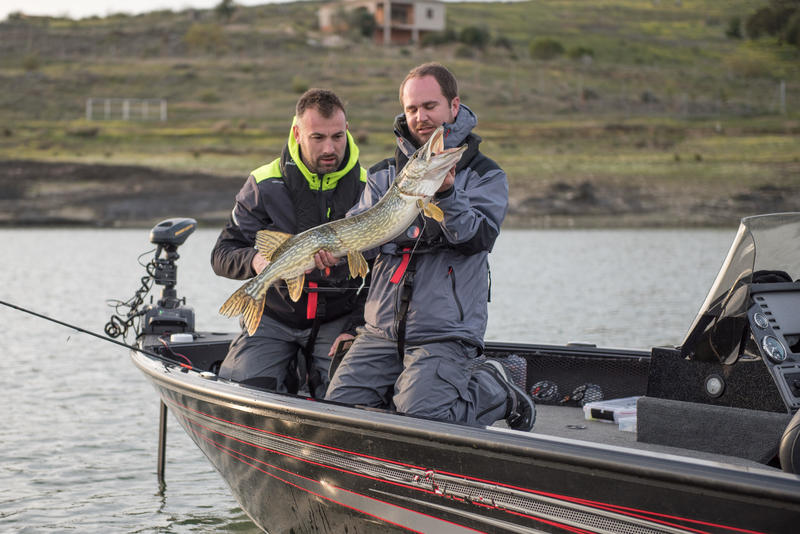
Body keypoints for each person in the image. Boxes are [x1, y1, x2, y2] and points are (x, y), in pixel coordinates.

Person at [324, 63, 534, 431]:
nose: (420, 118)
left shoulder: (486, 174)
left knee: (422, 418)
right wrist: (332, 255)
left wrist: (449, 194)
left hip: (444, 333)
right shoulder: (381, 175)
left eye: (430, 107)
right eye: (412, 109)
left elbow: (478, 238)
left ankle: (497, 390)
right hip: (381, 332)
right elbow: (364, 246)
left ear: (454, 106)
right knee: (338, 413)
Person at [211, 88, 368, 398]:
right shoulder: (264, 183)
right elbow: (222, 254)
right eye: (317, 137)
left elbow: (379, 273)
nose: (329, 148)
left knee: (350, 398)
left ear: (347, 130)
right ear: (297, 133)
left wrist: (355, 326)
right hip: (275, 318)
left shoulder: (367, 187)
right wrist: (256, 262)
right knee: (244, 392)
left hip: (336, 320)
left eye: (337, 137)